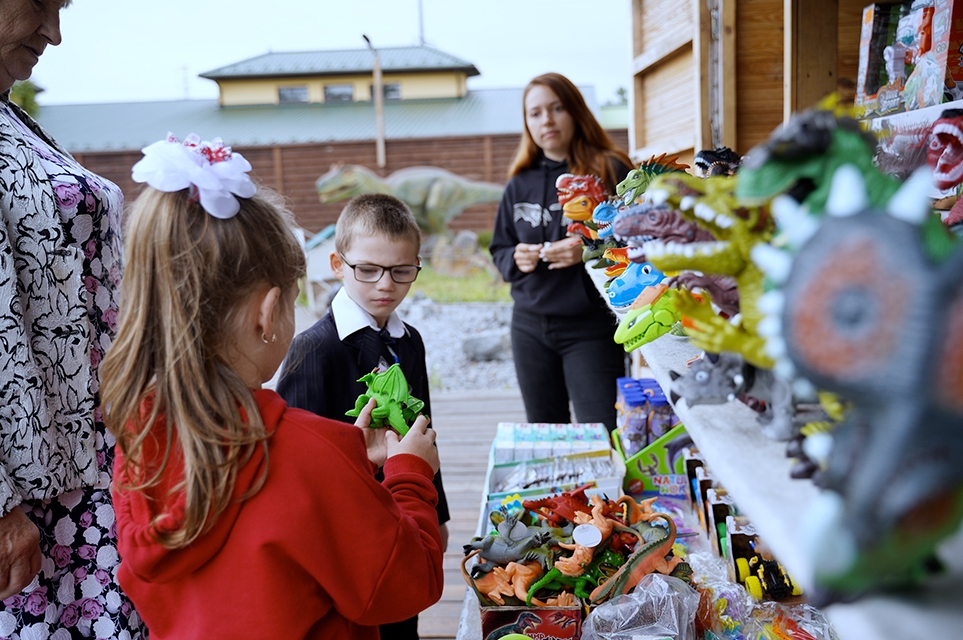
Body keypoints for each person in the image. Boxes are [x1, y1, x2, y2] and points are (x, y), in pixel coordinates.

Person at [100, 136, 444, 639]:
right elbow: (405, 584)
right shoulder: (310, 454)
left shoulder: (140, 437)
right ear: (268, 313)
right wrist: (410, 477)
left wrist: (351, 459)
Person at [0, 1, 146, 636]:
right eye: (38, 3)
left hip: (90, 480)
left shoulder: (11, 116)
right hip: (34, 509)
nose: (54, 34)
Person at [277, 193, 450, 640]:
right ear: (337, 263)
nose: (385, 285)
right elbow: (299, 464)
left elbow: (423, 432)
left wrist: (439, 512)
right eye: (368, 270)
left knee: (403, 621)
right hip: (349, 537)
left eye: (401, 271)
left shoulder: (409, 341)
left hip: (406, 515)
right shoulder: (314, 349)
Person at [489, 72, 634, 432]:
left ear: (575, 112)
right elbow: (500, 248)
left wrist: (587, 251)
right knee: (544, 435)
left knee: (601, 433)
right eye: (535, 113)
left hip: (592, 326)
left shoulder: (610, 168)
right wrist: (516, 258)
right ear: (526, 123)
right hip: (529, 328)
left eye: (557, 108)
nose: (547, 120)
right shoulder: (517, 182)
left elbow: (640, 240)